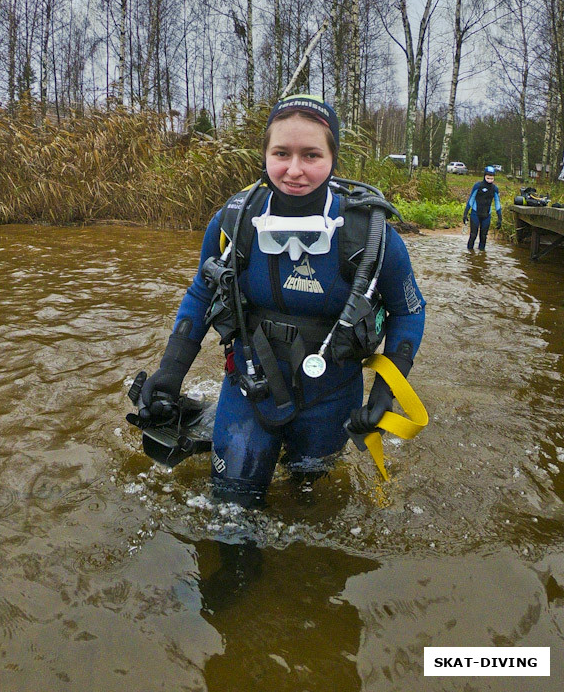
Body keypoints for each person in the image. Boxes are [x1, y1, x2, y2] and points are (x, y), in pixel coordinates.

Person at [134, 95, 425, 507]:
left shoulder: (369, 234)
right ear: (265, 154)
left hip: (331, 397)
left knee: (308, 503)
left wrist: (385, 392)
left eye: (311, 155)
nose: (294, 170)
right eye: (281, 153)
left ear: (333, 157)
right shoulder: (233, 221)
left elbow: (409, 310)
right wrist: (170, 372)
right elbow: (202, 291)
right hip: (249, 388)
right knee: (231, 511)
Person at [463, 165, 502, 251]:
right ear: (484, 176)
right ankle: (469, 254)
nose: (490, 181)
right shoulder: (478, 186)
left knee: (483, 236)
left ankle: (481, 255)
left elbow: (497, 203)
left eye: (492, 179)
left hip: (487, 215)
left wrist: (500, 218)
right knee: (473, 235)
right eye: (488, 178)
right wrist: (465, 214)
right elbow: (471, 199)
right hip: (475, 213)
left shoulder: (495, 189)